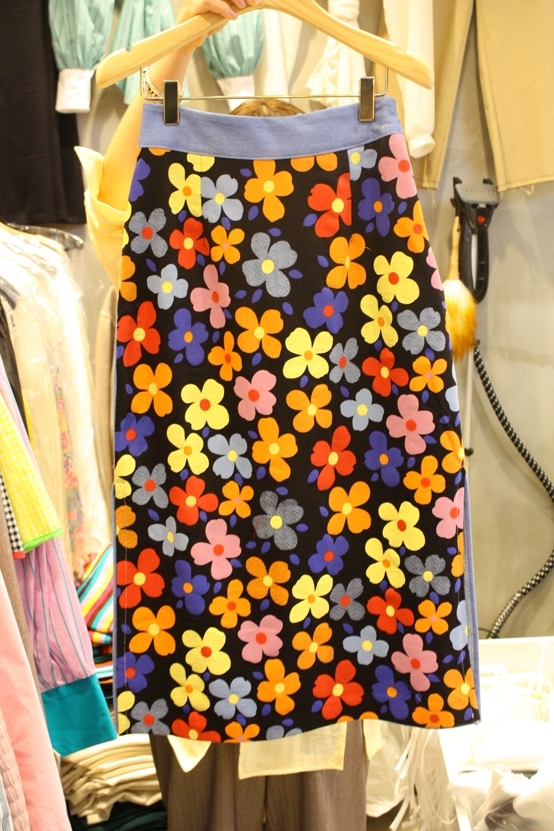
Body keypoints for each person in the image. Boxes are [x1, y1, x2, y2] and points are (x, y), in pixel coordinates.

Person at [77, 2, 378, 830]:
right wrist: (176, 56)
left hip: (321, 608)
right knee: (218, 806)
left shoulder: (346, 263)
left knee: (318, 802)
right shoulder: (174, 259)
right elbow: (115, 197)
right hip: (201, 607)